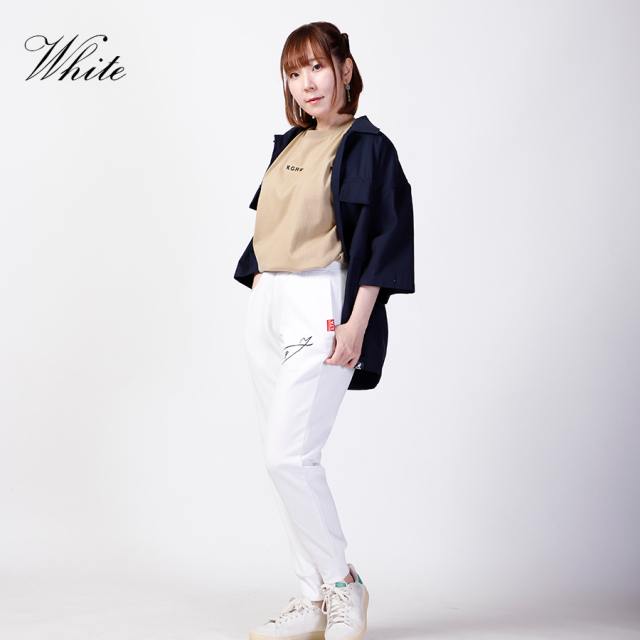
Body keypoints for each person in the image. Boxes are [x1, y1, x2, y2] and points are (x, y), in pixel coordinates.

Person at [234, 21, 415, 640]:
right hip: (269, 304)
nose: (306, 82)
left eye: (316, 66)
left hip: (324, 300)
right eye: (294, 72)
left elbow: (384, 241)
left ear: (345, 68)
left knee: (289, 455)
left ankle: (342, 585)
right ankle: (311, 597)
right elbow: (270, 226)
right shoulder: (289, 143)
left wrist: (358, 323)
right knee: (279, 460)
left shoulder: (368, 147)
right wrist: (264, 286)